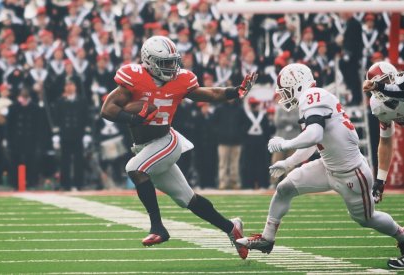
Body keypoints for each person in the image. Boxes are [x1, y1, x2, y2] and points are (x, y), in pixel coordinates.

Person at [101, 36, 257, 260]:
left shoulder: (181, 80)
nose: (171, 67)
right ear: (149, 61)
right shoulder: (134, 78)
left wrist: (236, 91)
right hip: (145, 146)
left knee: (135, 169)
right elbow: (107, 110)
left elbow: (210, 93)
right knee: (188, 200)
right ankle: (232, 228)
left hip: (166, 141)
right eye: (165, 62)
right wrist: (134, 118)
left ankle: (158, 228)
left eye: (173, 61)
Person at [236, 64, 404, 266]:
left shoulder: (312, 95)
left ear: (298, 85)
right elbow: (314, 141)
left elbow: (313, 134)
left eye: (287, 90)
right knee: (285, 188)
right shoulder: (311, 99)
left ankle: (401, 236)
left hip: (351, 173)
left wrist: (285, 143)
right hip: (327, 166)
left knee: (366, 219)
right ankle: (267, 238)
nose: (285, 96)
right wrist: (288, 162)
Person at [363, 61, 404, 269]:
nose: (381, 86)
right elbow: (386, 140)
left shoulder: (401, 82)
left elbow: (400, 91)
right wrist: (380, 179)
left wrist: (378, 85)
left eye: (385, 81)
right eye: (378, 83)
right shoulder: (378, 105)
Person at [52, 81, 89, 191]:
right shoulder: (60, 101)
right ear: (64, 87)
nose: (69, 87)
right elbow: (56, 118)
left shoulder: (82, 101)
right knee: (65, 161)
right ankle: (65, 184)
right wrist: (56, 135)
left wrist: (87, 134)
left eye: (71, 85)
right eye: (67, 85)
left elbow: (86, 117)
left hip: (78, 134)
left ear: (75, 87)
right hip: (65, 134)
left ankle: (79, 184)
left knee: (79, 160)